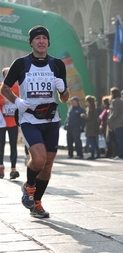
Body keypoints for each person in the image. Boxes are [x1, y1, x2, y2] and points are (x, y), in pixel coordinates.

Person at [0, 25, 69, 218]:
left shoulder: (57, 65)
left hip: (52, 119)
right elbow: (4, 89)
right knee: (39, 158)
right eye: (37, 38)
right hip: (30, 119)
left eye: (44, 38)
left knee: (48, 165)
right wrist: (17, 101)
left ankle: (36, 203)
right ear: (31, 42)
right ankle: (29, 186)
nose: (41, 41)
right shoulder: (21, 64)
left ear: (48, 42)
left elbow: (64, 98)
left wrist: (63, 90)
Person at [0, 67, 20, 179]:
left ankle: (13, 169)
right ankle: (1, 168)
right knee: (0, 145)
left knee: (13, 145)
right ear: (4, 76)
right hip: (1, 122)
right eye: (8, 74)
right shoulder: (0, 87)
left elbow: (20, 99)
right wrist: (4, 100)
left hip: (13, 121)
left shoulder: (17, 87)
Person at [107, 87, 123, 160]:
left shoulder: (114, 101)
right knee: (121, 139)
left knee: (119, 140)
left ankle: (120, 155)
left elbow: (115, 113)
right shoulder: (122, 101)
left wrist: (109, 118)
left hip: (117, 123)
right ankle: (122, 154)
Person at [81, 95, 100, 160]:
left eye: (86, 101)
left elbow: (89, 118)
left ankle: (92, 155)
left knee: (91, 141)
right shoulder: (94, 108)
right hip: (94, 127)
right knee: (94, 141)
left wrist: (83, 116)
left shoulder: (90, 109)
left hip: (90, 127)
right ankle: (98, 153)